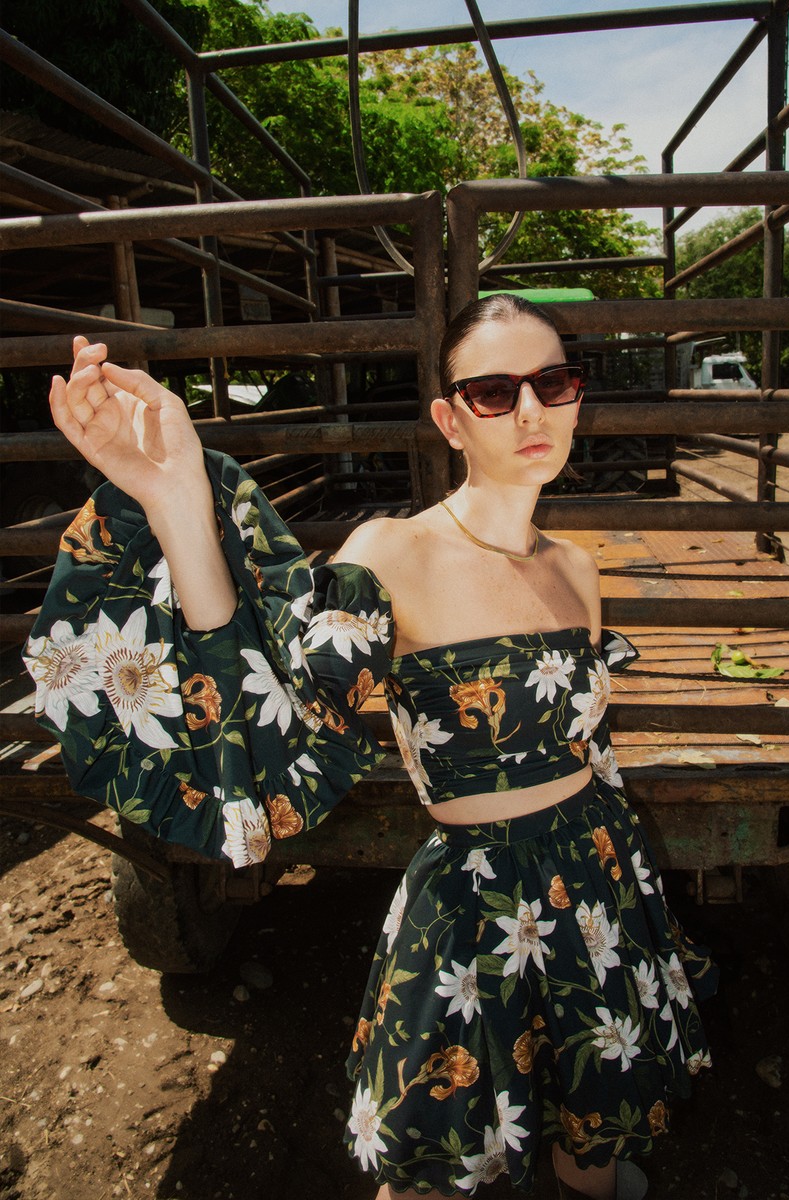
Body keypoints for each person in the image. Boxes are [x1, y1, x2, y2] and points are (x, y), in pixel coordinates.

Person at [25, 295, 717, 1200]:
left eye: (553, 384)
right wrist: (176, 494)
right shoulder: (392, 553)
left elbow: (591, 749)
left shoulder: (576, 569)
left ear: (577, 399)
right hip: (473, 903)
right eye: (495, 392)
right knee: (426, 1162)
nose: (531, 411)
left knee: (597, 1127)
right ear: (451, 420)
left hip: (599, 879)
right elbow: (267, 692)